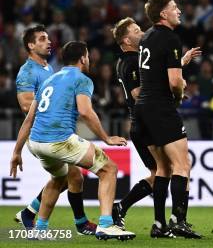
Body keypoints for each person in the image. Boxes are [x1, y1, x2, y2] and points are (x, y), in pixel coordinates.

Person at [9, 41, 135, 240]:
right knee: (108, 169)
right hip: (58, 140)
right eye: (88, 56)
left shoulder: (49, 80)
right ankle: (106, 224)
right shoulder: (82, 79)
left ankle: (39, 230)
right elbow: (85, 111)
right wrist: (106, 137)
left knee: (60, 178)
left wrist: (16, 152)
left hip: (35, 142)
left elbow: (29, 119)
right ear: (83, 58)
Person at [111, 17, 200, 227]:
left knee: (161, 171)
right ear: (126, 41)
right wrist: (170, 88)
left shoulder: (135, 59)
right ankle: (163, 221)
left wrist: (178, 65)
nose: (141, 33)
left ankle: (124, 209)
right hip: (146, 121)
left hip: (143, 120)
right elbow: (137, 93)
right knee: (166, 169)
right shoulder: (131, 61)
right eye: (135, 30)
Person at [14, 25, 97, 235]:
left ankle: (32, 213)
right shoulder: (27, 72)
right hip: (42, 133)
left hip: (56, 130)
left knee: (70, 178)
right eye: (42, 39)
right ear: (30, 46)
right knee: (72, 177)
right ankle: (79, 223)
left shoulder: (48, 69)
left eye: (48, 38)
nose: (48, 42)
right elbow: (26, 105)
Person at [133, 0, 201, 239]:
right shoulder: (171, 38)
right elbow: (174, 82)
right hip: (161, 108)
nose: (179, 11)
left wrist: (180, 63)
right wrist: (180, 92)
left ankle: (159, 224)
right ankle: (179, 220)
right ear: (163, 14)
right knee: (183, 165)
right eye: (174, 7)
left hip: (143, 107)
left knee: (163, 167)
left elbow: (157, 72)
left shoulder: (146, 38)